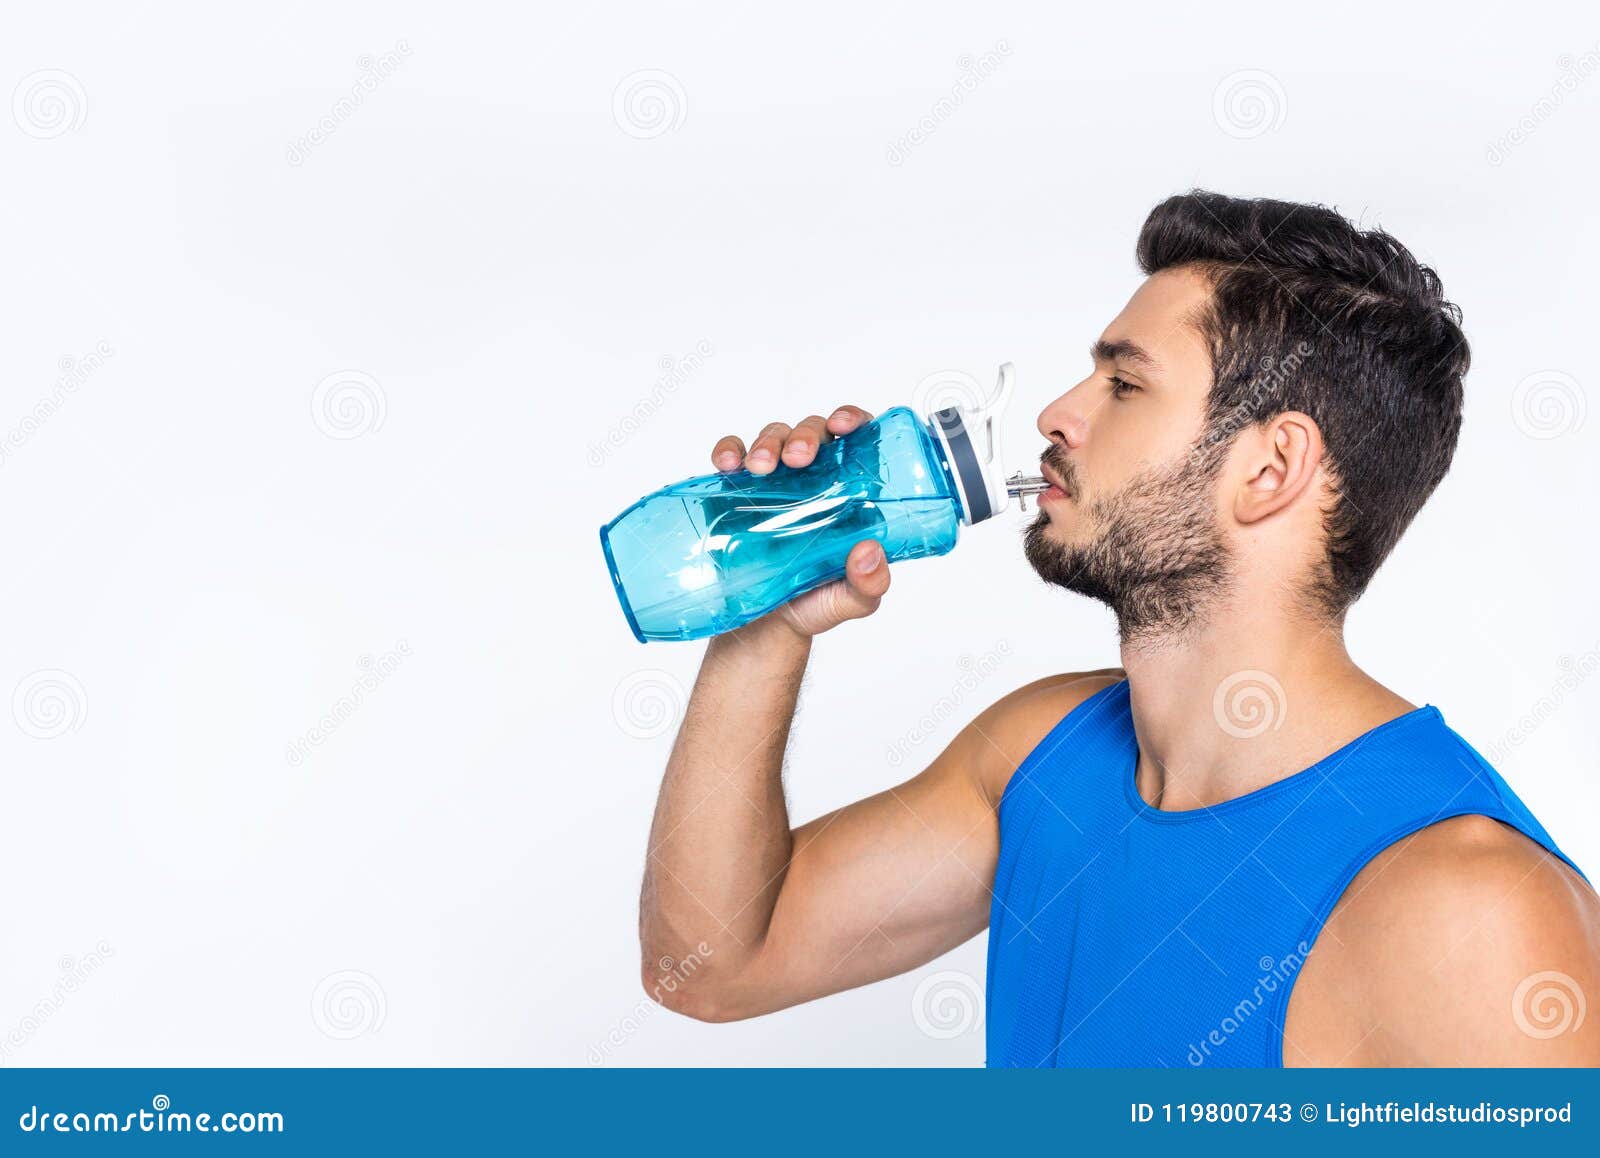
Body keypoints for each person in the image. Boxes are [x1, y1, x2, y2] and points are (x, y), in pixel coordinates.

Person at [636, 191, 1600, 1066]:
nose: (1058, 413)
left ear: (1270, 469)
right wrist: (765, 612)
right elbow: (713, 964)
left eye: (1124, 384)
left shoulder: (1472, 915)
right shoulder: (1039, 759)